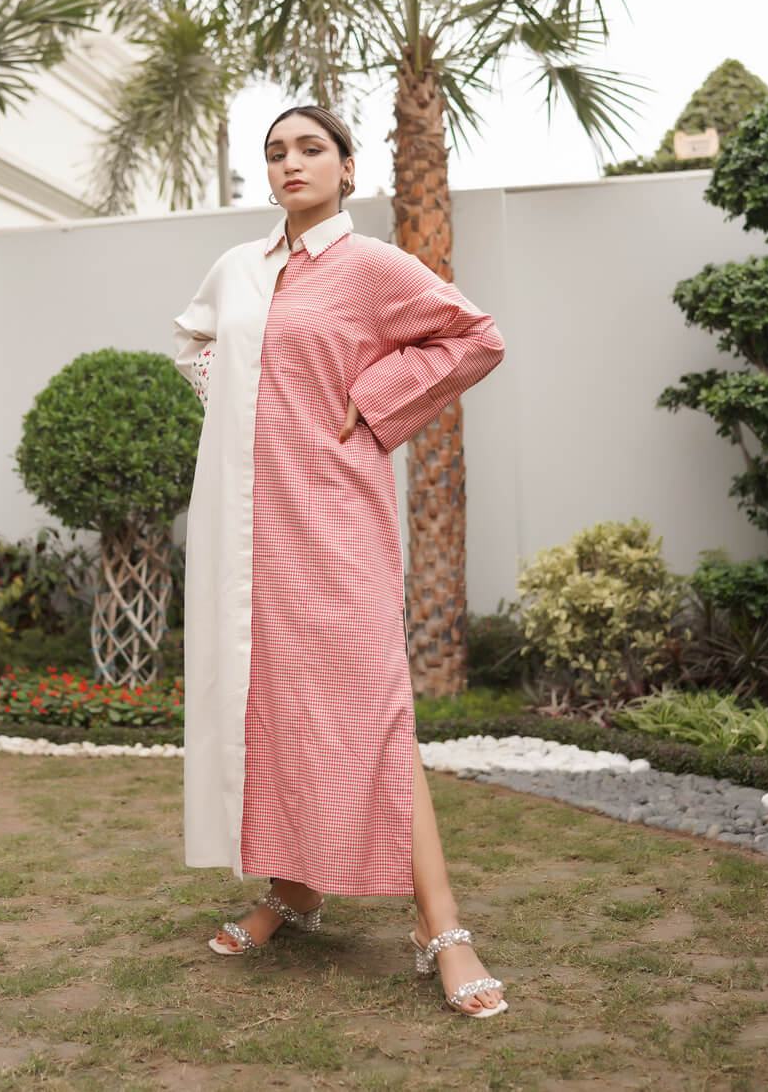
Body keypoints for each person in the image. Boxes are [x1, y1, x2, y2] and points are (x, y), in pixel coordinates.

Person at [172, 105, 509, 1019]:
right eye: (275, 151)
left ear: (347, 168)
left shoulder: (371, 267)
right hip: (250, 528)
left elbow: (475, 337)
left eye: (311, 148)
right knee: (275, 706)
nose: (291, 163)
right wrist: (240, 404)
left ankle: (443, 927)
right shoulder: (239, 268)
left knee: (375, 711)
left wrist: (377, 395)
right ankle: (294, 892)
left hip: (336, 520)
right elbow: (195, 343)